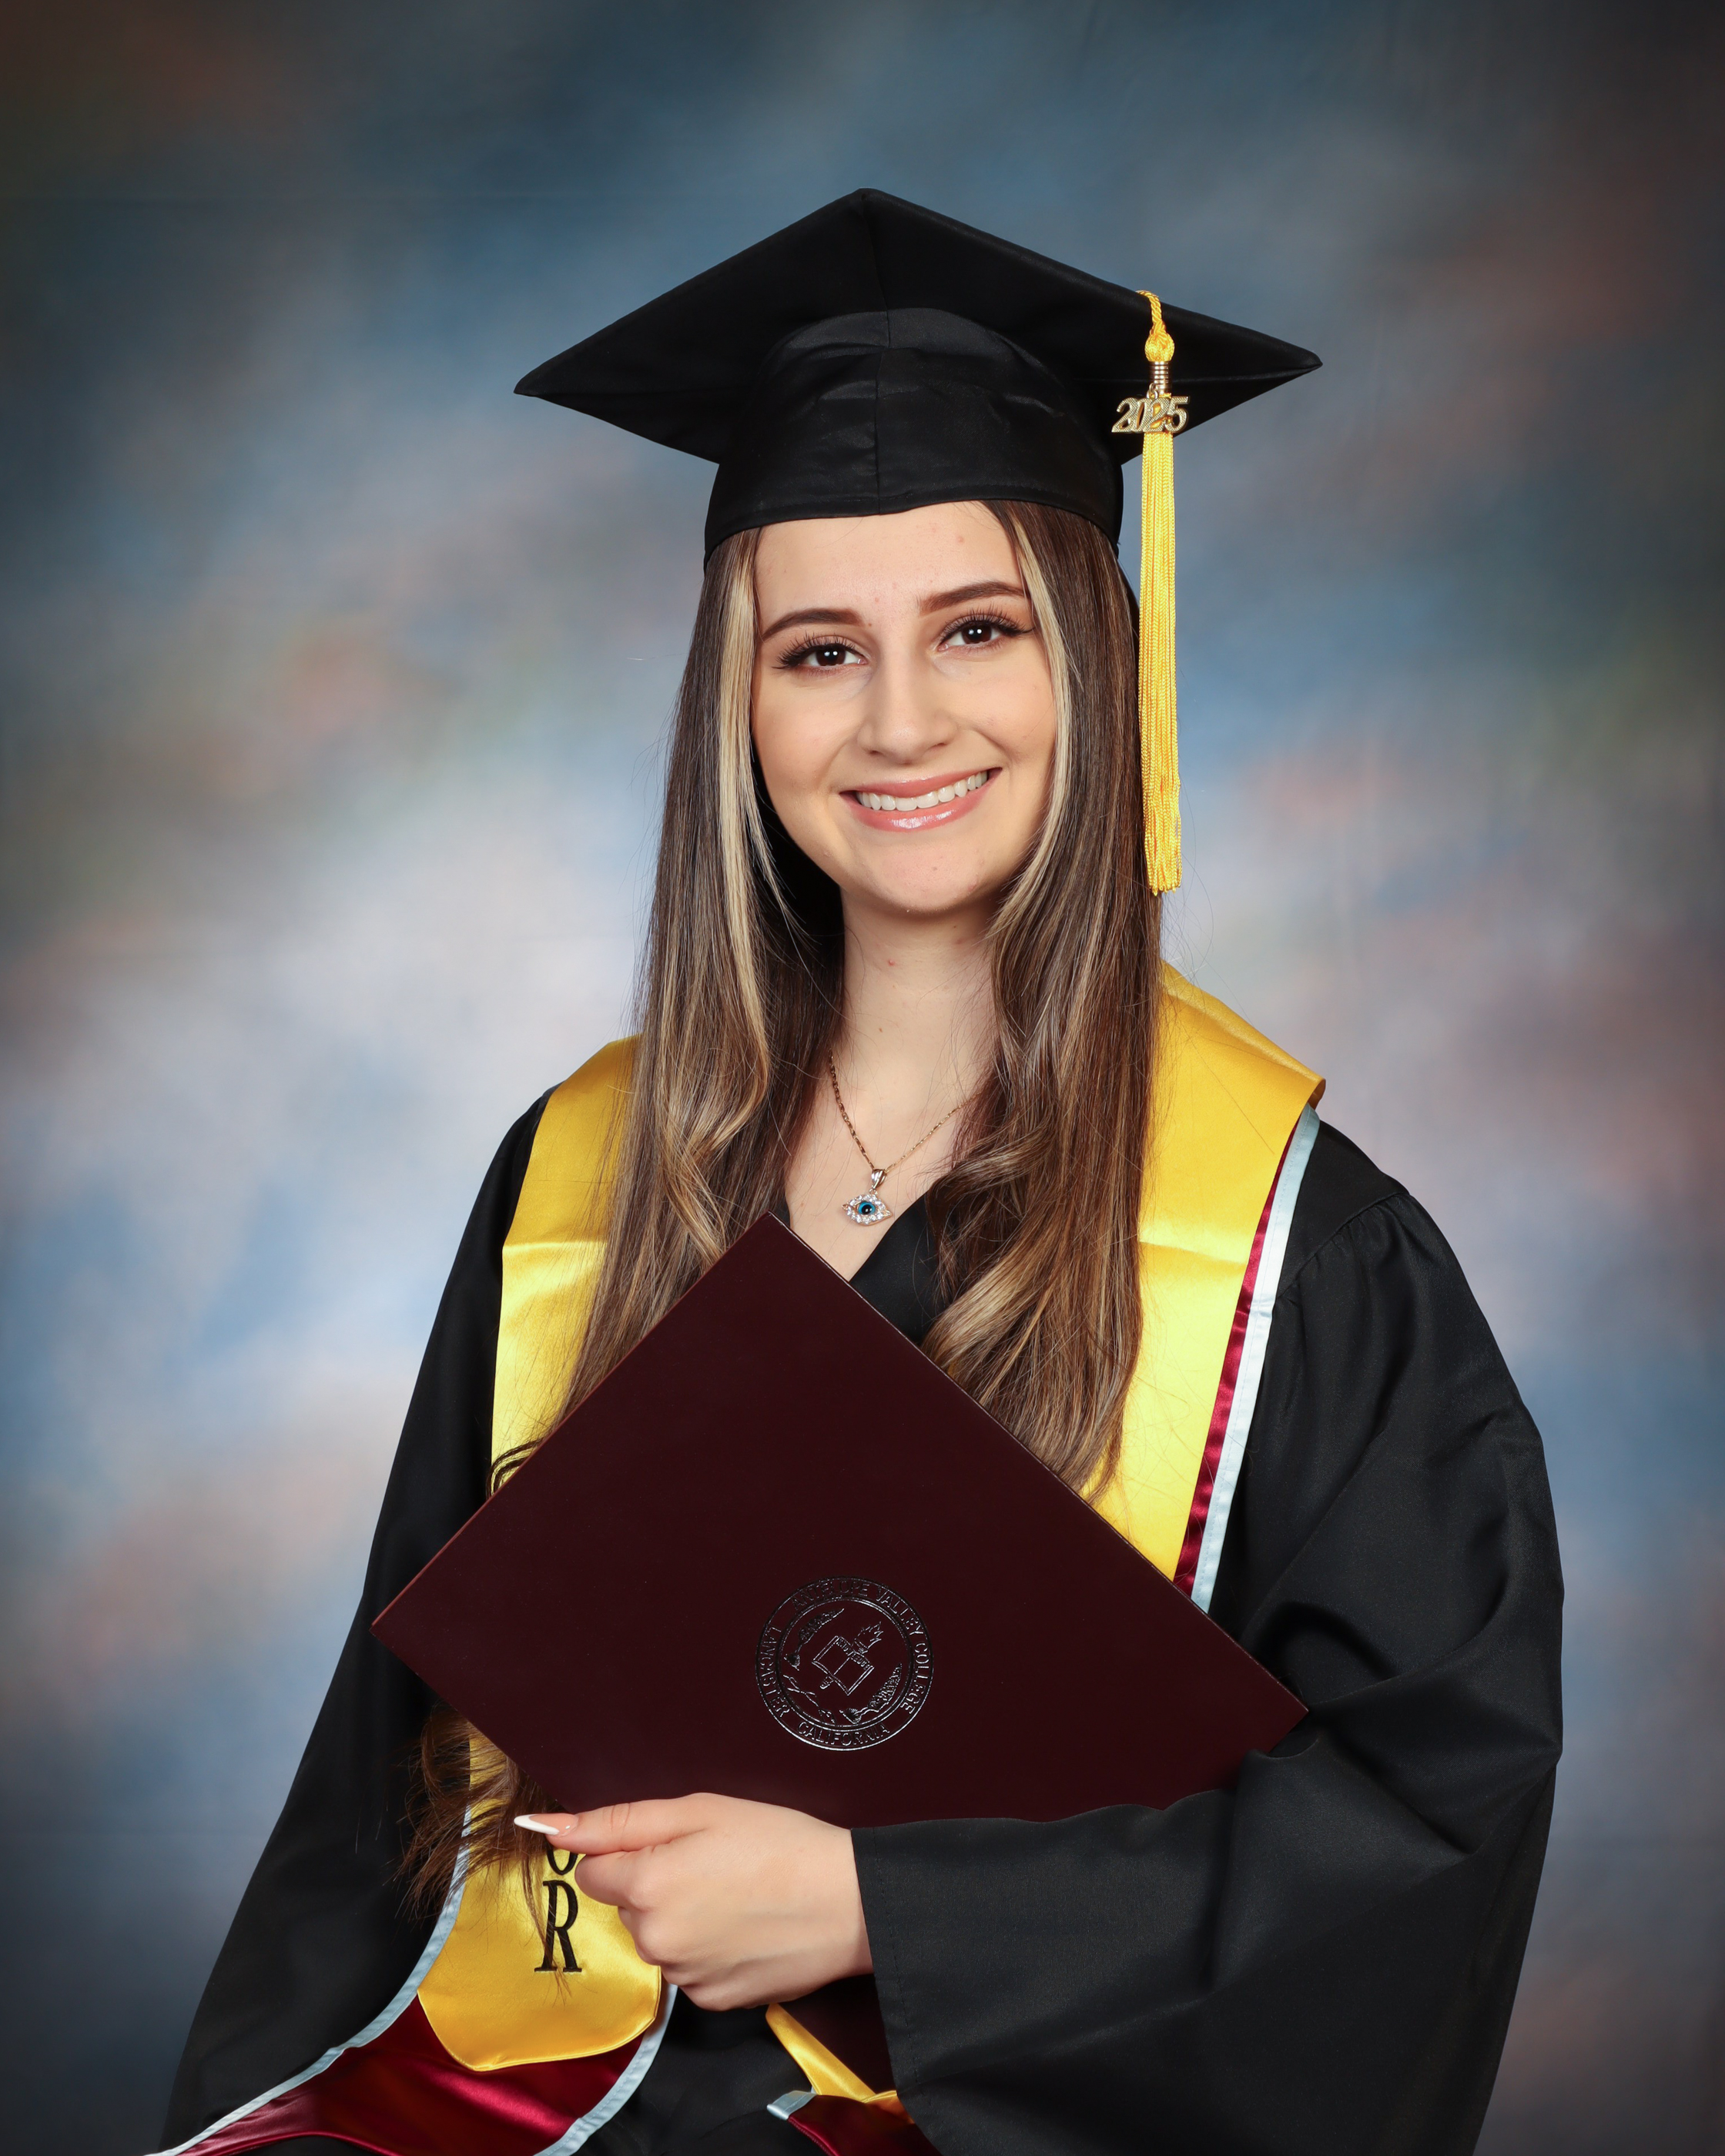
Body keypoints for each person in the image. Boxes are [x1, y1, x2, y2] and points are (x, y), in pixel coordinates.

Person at [156, 192, 1563, 2156]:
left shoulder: (1301, 1248)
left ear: (1097, 661)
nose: (901, 722)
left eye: (977, 628)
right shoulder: (575, 1176)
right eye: (819, 650)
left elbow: (1418, 1840)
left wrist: (883, 1907)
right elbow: (373, 1816)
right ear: (737, 705)